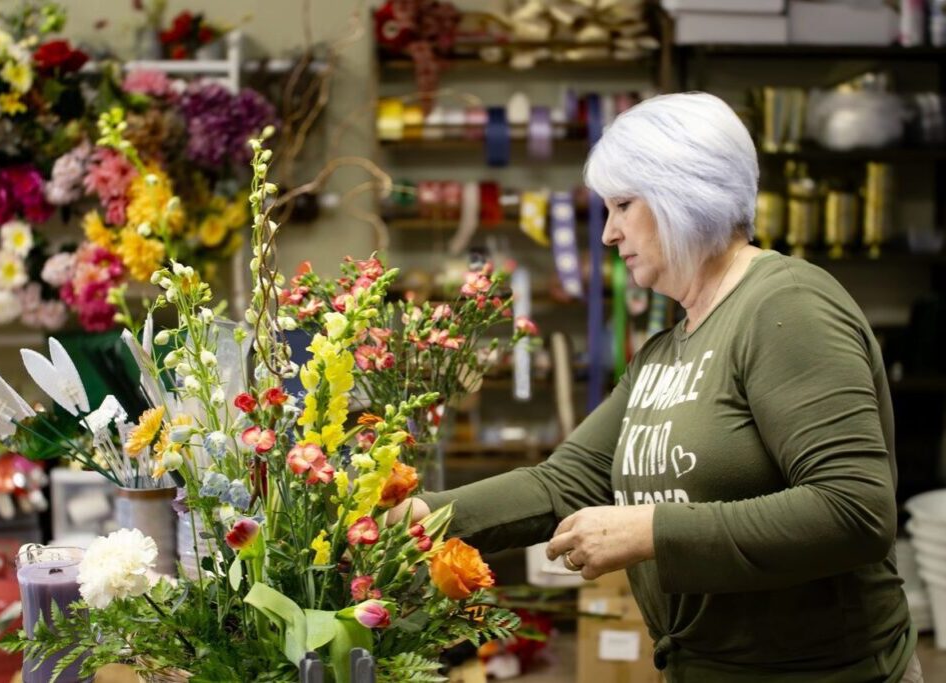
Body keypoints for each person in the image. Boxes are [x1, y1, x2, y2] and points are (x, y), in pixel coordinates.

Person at [391, 92, 920, 682]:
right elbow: (566, 483)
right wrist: (417, 517)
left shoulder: (786, 307)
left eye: (622, 205)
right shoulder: (670, 348)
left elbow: (855, 509)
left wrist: (650, 530)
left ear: (685, 192)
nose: (608, 235)